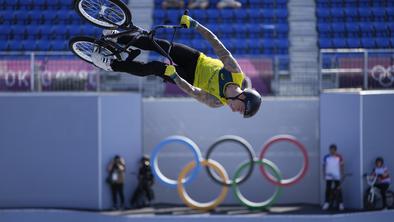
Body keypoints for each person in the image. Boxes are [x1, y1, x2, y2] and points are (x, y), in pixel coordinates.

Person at [91, 15, 262, 118]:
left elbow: (193, 92)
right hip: (195, 59)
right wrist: (195, 25)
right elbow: (216, 43)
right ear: (243, 98)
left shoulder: (217, 102)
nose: (235, 112)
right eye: (241, 110)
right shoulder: (235, 73)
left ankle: (111, 64)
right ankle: (117, 37)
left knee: (153, 68)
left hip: (186, 78)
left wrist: (175, 77)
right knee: (158, 44)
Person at [322, 144, 345, 211]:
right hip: (328, 176)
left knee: (338, 190)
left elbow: (342, 166)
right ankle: (326, 203)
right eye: (330, 150)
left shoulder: (339, 157)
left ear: (335, 150)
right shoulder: (326, 157)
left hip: (337, 176)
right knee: (328, 189)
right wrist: (323, 174)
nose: (332, 151)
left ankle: (341, 204)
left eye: (333, 150)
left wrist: (342, 173)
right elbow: (324, 166)